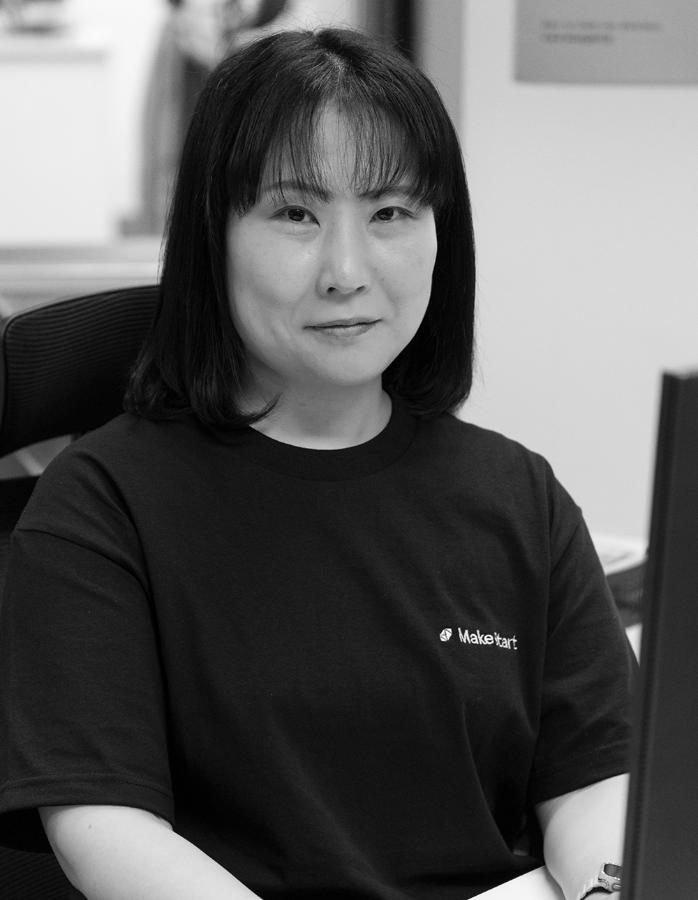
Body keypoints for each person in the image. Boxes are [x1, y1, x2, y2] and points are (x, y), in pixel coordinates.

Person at [0, 27, 635, 900]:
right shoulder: (103, 503)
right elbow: (102, 828)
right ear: (214, 237)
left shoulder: (519, 494)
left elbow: (600, 777)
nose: (346, 271)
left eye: (391, 213)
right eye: (295, 214)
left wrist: (605, 886)